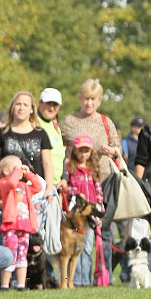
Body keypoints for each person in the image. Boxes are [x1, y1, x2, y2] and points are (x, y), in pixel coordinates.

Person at [59, 79, 121, 283]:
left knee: (104, 230)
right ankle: (79, 278)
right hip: (78, 185)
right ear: (80, 98)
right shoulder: (69, 121)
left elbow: (117, 149)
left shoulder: (105, 121)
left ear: (99, 101)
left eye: (93, 99)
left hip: (103, 181)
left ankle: (104, 276)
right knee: (78, 232)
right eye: (85, 98)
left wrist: (110, 150)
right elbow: (60, 148)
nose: (89, 103)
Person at [0, 91, 54, 197]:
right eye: (18, 104)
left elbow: (48, 164)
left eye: (25, 105)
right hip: (8, 191)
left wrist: (49, 188)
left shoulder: (41, 134)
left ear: (32, 109)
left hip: (34, 191)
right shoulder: (1, 133)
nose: (21, 107)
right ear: (12, 107)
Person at [0, 156, 43, 292]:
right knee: (10, 255)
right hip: (11, 226)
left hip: (24, 227)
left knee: (22, 256)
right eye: (16, 167)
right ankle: (4, 285)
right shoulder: (3, 184)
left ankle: (21, 285)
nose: (20, 169)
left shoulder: (23, 186)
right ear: (5, 171)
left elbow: (37, 187)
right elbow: (10, 183)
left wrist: (28, 173)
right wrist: (17, 172)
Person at [65, 135, 105, 287]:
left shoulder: (93, 169)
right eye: (80, 151)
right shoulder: (71, 167)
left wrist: (100, 208)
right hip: (77, 216)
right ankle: (74, 279)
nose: (83, 154)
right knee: (75, 247)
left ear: (91, 152)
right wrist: (75, 192)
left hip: (90, 214)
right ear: (75, 151)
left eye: (86, 151)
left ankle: (85, 280)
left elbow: (98, 190)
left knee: (87, 247)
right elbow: (68, 186)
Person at [36, 88, 66, 188]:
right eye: (49, 103)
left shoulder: (56, 127)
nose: (52, 108)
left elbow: (61, 155)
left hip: (56, 185)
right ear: (40, 103)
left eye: (55, 105)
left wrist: (64, 178)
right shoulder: (34, 122)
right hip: (39, 184)